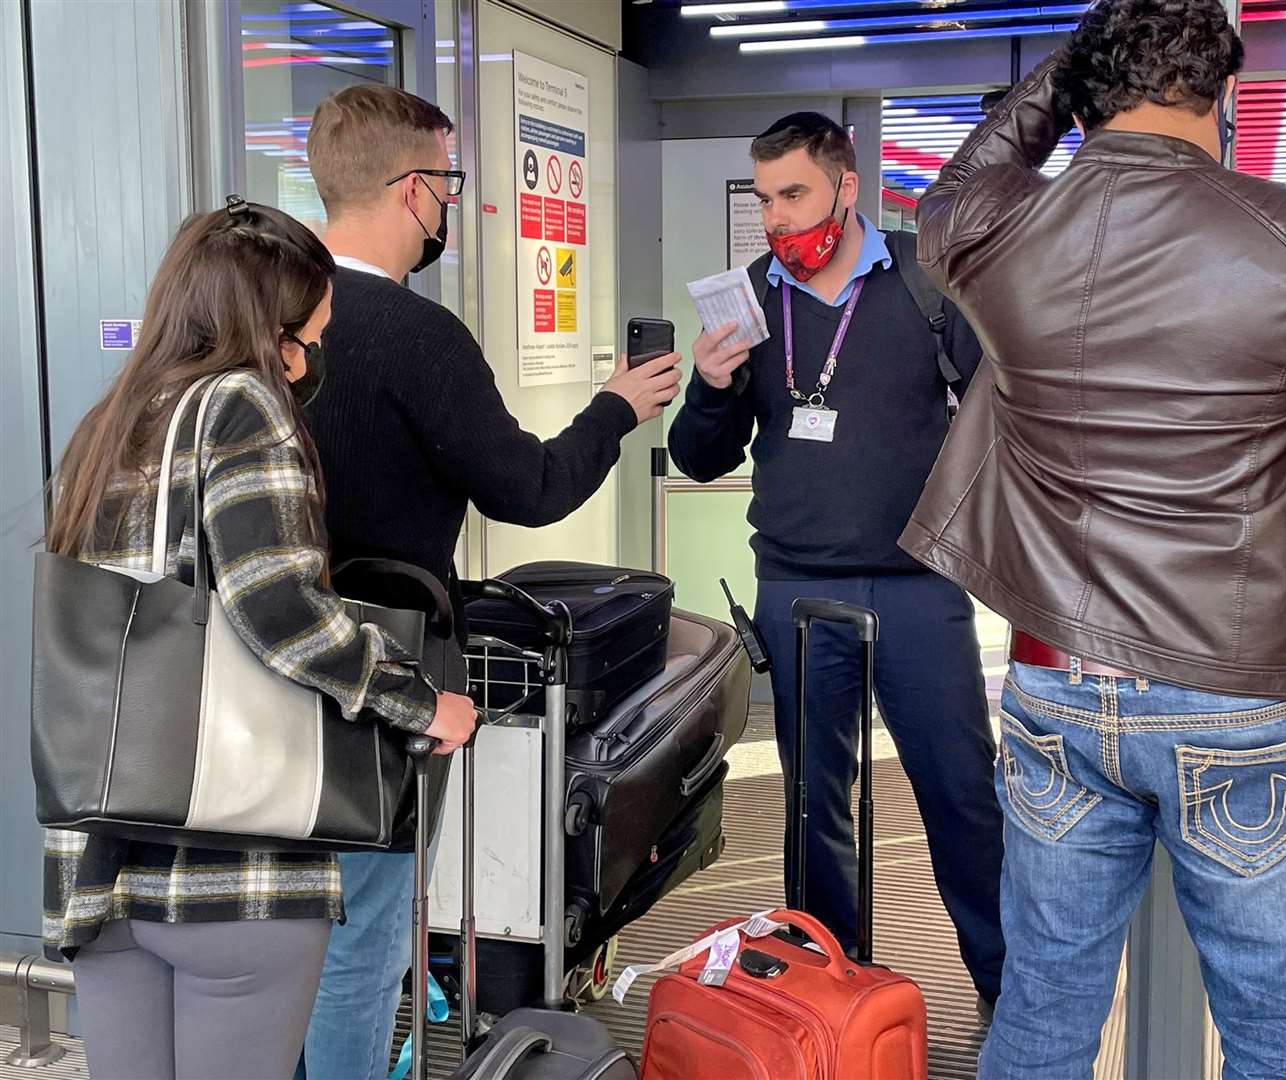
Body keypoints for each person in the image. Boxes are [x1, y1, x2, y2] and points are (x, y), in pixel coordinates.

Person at [900, 2, 1286, 1077]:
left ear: (1081, 90)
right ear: (1226, 94)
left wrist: (1076, 68)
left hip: (1055, 687)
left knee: (1044, 1015)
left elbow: (960, 184)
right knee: (1279, 1033)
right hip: (1240, 695)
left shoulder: (991, 231)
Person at [41, 201, 477, 1080]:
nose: (308, 360)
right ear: (266, 329)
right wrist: (420, 700)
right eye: (306, 336)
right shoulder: (241, 406)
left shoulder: (114, 419)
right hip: (235, 876)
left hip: (104, 858)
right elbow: (277, 610)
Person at [296, 85, 681, 1079]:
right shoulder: (414, 335)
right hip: (381, 670)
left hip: (266, 654)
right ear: (414, 190)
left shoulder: (264, 315)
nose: (449, 206)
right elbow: (530, 487)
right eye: (449, 184)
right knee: (365, 925)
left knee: (283, 924)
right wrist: (614, 409)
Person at [667, 111, 1006, 1019]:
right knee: (817, 809)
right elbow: (699, 456)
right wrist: (712, 387)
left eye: (795, 194)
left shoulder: (928, 284)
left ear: (845, 187)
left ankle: (1009, 994)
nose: (778, 219)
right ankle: (831, 999)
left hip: (921, 590)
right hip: (798, 588)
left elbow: (998, 418)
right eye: (766, 198)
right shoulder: (746, 295)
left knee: (962, 797)